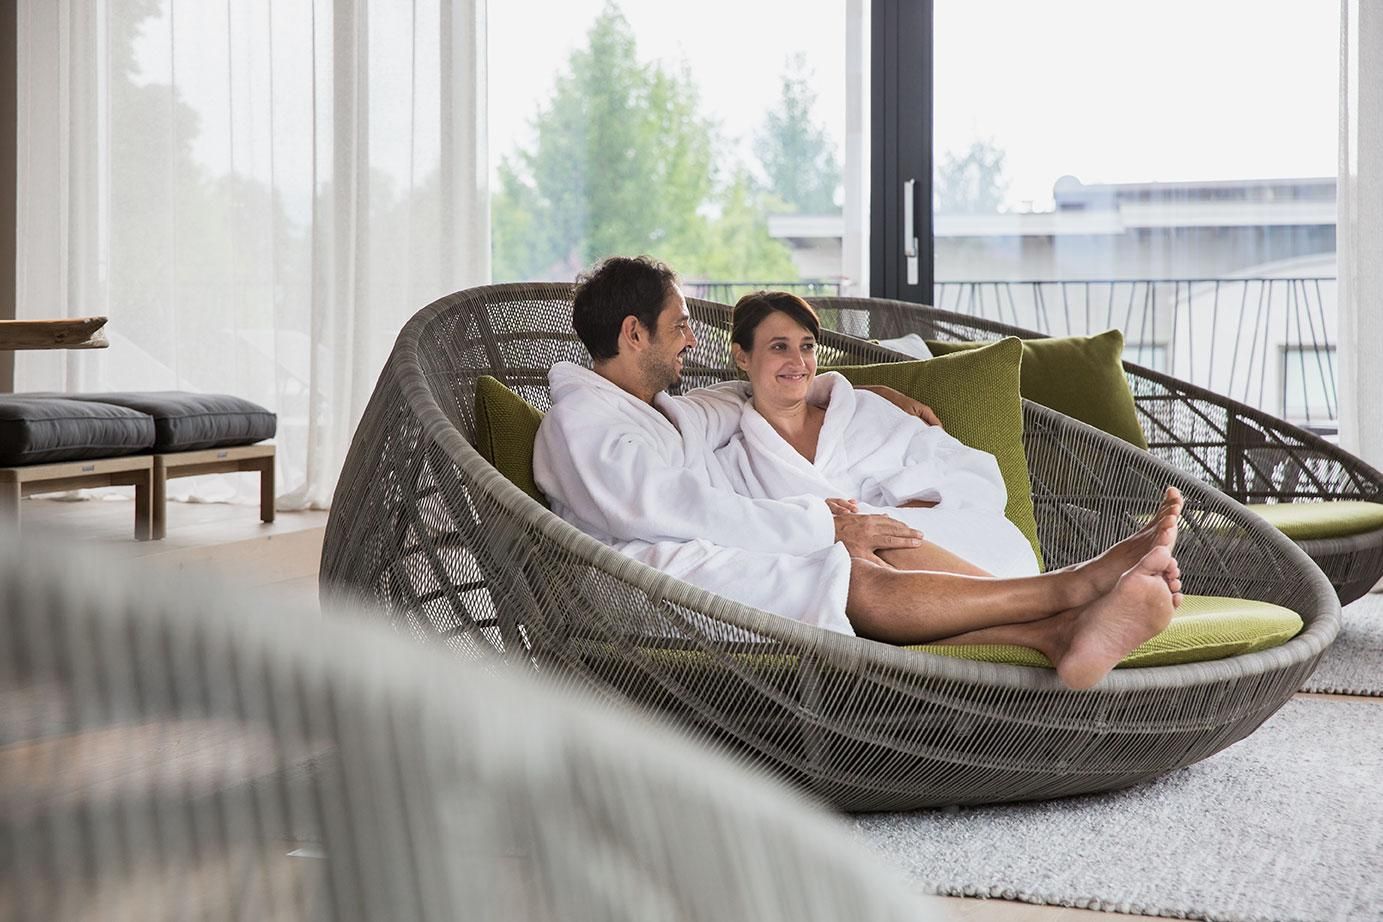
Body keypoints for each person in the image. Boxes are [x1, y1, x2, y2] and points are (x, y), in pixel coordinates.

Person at [533, 256, 1183, 690]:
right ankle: (1072, 589)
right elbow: (666, 509)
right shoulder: (582, 424)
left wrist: (835, 389)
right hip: (640, 584)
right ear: (632, 334)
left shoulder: (650, 411)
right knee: (851, 572)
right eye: (677, 327)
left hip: (687, 560)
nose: (689, 341)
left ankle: (1057, 635)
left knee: (864, 553)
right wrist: (823, 524)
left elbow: (740, 396)